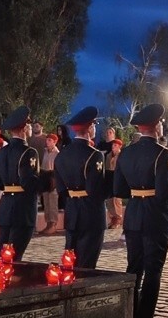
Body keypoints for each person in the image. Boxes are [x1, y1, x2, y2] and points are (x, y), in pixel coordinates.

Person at [114, 104, 168, 318]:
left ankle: (130, 312)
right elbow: (164, 192)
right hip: (154, 218)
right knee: (153, 271)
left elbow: (119, 190)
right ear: (157, 126)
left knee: (133, 269)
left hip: (133, 215)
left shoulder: (125, 153)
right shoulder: (163, 153)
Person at [55, 106, 109, 269]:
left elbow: (61, 189)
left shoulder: (62, 154)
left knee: (70, 261)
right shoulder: (94, 154)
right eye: (94, 125)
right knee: (87, 264)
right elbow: (95, 189)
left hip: (72, 211)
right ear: (90, 127)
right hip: (91, 213)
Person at [0, 106, 40, 261]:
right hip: (23, 209)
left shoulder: (0, 153)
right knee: (15, 258)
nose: (30, 127)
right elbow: (29, 183)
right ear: (24, 128)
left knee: (2, 256)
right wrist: (47, 181)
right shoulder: (29, 152)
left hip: (5, 207)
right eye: (29, 125)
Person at [38, 133, 61, 235]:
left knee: (53, 202)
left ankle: (53, 224)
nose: (47, 142)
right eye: (47, 140)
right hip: (45, 177)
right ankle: (48, 223)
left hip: (53, 178)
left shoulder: (57, 153)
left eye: (50, 140)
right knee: (46, 202)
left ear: (55, 142)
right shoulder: (45, 152)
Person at [105, 139, 124, 229]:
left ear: (120, 146)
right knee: (110, 200)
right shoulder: (108, 156)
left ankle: (117, 219)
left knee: (116, 200)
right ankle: (112, 218)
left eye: (115, 145)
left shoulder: (121, 156)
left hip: (117, 179)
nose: (113, 147)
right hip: (110, 179)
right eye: (113, 145)